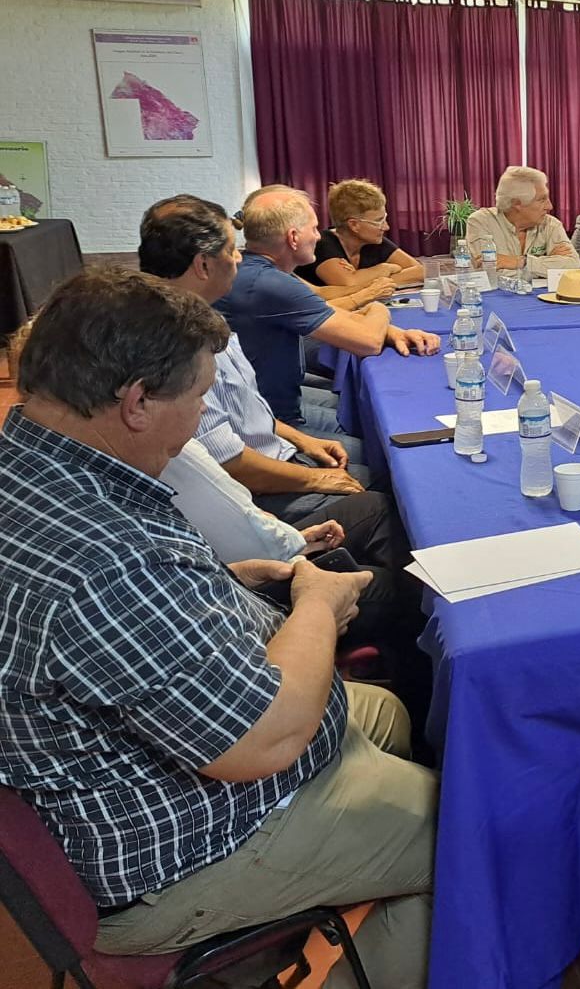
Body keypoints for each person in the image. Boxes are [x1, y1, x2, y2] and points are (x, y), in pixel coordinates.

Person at [0, 268, 436, 988]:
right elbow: (267, 738)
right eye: (199, 400)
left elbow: (109, 631)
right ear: (136, 401)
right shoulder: (103, 561)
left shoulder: (49, 469)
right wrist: (319, 608)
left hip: (125, 778)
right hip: (175, 849)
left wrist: (227, 580)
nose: (201, 419)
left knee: (382, 711)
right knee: (476, 839)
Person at [139, 195, 375, 520]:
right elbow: (229, 463)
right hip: (252, 494)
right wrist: (315, 477)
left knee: (379, 457)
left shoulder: (204, 313)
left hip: (275, 452)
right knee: (384, 489)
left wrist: (302, 440)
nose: (239, 258)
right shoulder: (177, 343)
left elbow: (246, 409)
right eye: (231, 250)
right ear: (203, 265)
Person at [216, 185, 438, 430]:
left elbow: (324, 305)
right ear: (293, 237)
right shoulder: (269, 283)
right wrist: (377, 307)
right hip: (271, 418)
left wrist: (391, 331)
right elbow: (368, 342)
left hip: (270, 399)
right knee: (378, 433)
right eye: (313, 229)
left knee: (364, 411)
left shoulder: (262, 269)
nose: (319, 236)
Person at [295, 179, 424, 290]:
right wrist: (385, 268)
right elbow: (348, 285)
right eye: (378, 221)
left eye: (384, 218)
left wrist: (364, 278)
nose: (386, 227)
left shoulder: (374, 241)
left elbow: (420, 272)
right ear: (354, 225)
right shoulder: (322, 244)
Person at [464, 166, 580, 279]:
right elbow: (492, 275)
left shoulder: (551, 224)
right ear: (517, 204)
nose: (549, 206)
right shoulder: (480, 222)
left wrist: (520, 262)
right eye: (542, 199)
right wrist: (548, 265)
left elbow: (572, 265)